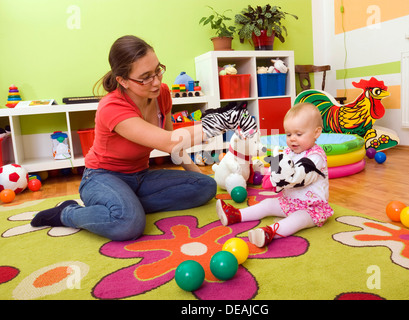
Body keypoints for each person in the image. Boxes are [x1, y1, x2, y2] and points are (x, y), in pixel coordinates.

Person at [31, 35, 256, 241]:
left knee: (205, 187)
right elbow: (169, 141)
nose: (156, 82)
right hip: (102, 177)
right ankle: (69, 213)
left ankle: (126, 204)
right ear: (123, 80)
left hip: (139, 176)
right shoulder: (112, 107)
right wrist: (222, 120)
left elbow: (172, 146)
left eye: (158, 71)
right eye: (145, 78)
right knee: (128, 225)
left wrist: (196, 179)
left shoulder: (162, 93)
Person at [216, 103, 334, 247]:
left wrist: (282, 177)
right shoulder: (289, 152)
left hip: (312, 208)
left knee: (296, 220)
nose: (292, 139)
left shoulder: (316, 156)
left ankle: (269, 233)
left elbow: (301, 176)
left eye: (298, 134)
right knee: (267, 204)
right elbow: (277, 168)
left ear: (316, 133)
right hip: (289, 202)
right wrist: (271, 176)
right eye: (289, 134)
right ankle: (237, 215)